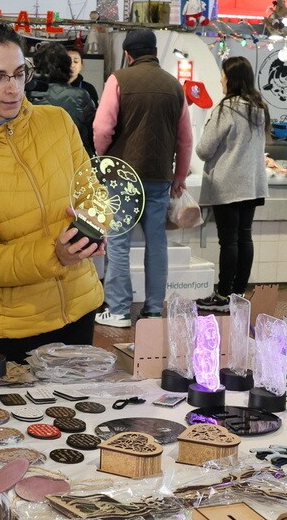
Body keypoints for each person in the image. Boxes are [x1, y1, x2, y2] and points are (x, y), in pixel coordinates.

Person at [0, 19, 104, 362]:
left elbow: (93, 194)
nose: (13, 89)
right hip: (14, 328)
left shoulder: (57, 122)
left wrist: (94, 226)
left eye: (20, 73)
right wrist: (55, 255)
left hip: (81, 307)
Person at [93, 29, 192, 328]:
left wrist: (104, 157)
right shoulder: (174, 86)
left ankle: (119, 310)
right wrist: (179, 176)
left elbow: (102, 128)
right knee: (157, 242)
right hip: (159, 176)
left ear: (128, 54)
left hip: (123, 174)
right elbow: (185, 139)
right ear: (155, 51)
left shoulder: (119, 80)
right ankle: (152, 310)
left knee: (119, 242)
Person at [193, 55, 269, 311]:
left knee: (228, 241)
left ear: (232, 79)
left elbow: (204, 149)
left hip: (227, 185)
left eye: (223, 75)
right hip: (252, 184)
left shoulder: (227, 108)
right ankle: (238, 293)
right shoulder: (258, 108)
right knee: (244, 238)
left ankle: (223, 295)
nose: (221, 80)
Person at [29, 41, 97, 154]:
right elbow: (93, 132)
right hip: (75, 157)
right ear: (66, 66)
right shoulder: (81, 95)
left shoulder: (28, 96)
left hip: (39, 157)